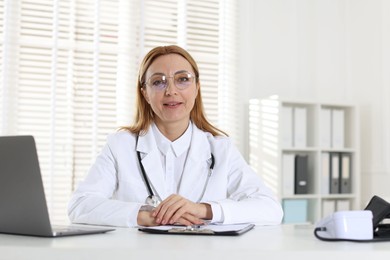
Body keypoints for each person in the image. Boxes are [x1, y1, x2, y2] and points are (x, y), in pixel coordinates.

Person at [68, 45, 283, 227]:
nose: (171, 91)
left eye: (182, 79)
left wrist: (205, 211)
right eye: (158, 82)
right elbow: (80, 206)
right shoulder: (120, 145)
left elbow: (271, 209)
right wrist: (146, 216)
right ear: (145, 93)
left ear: (197, 87)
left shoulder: (220, 149)